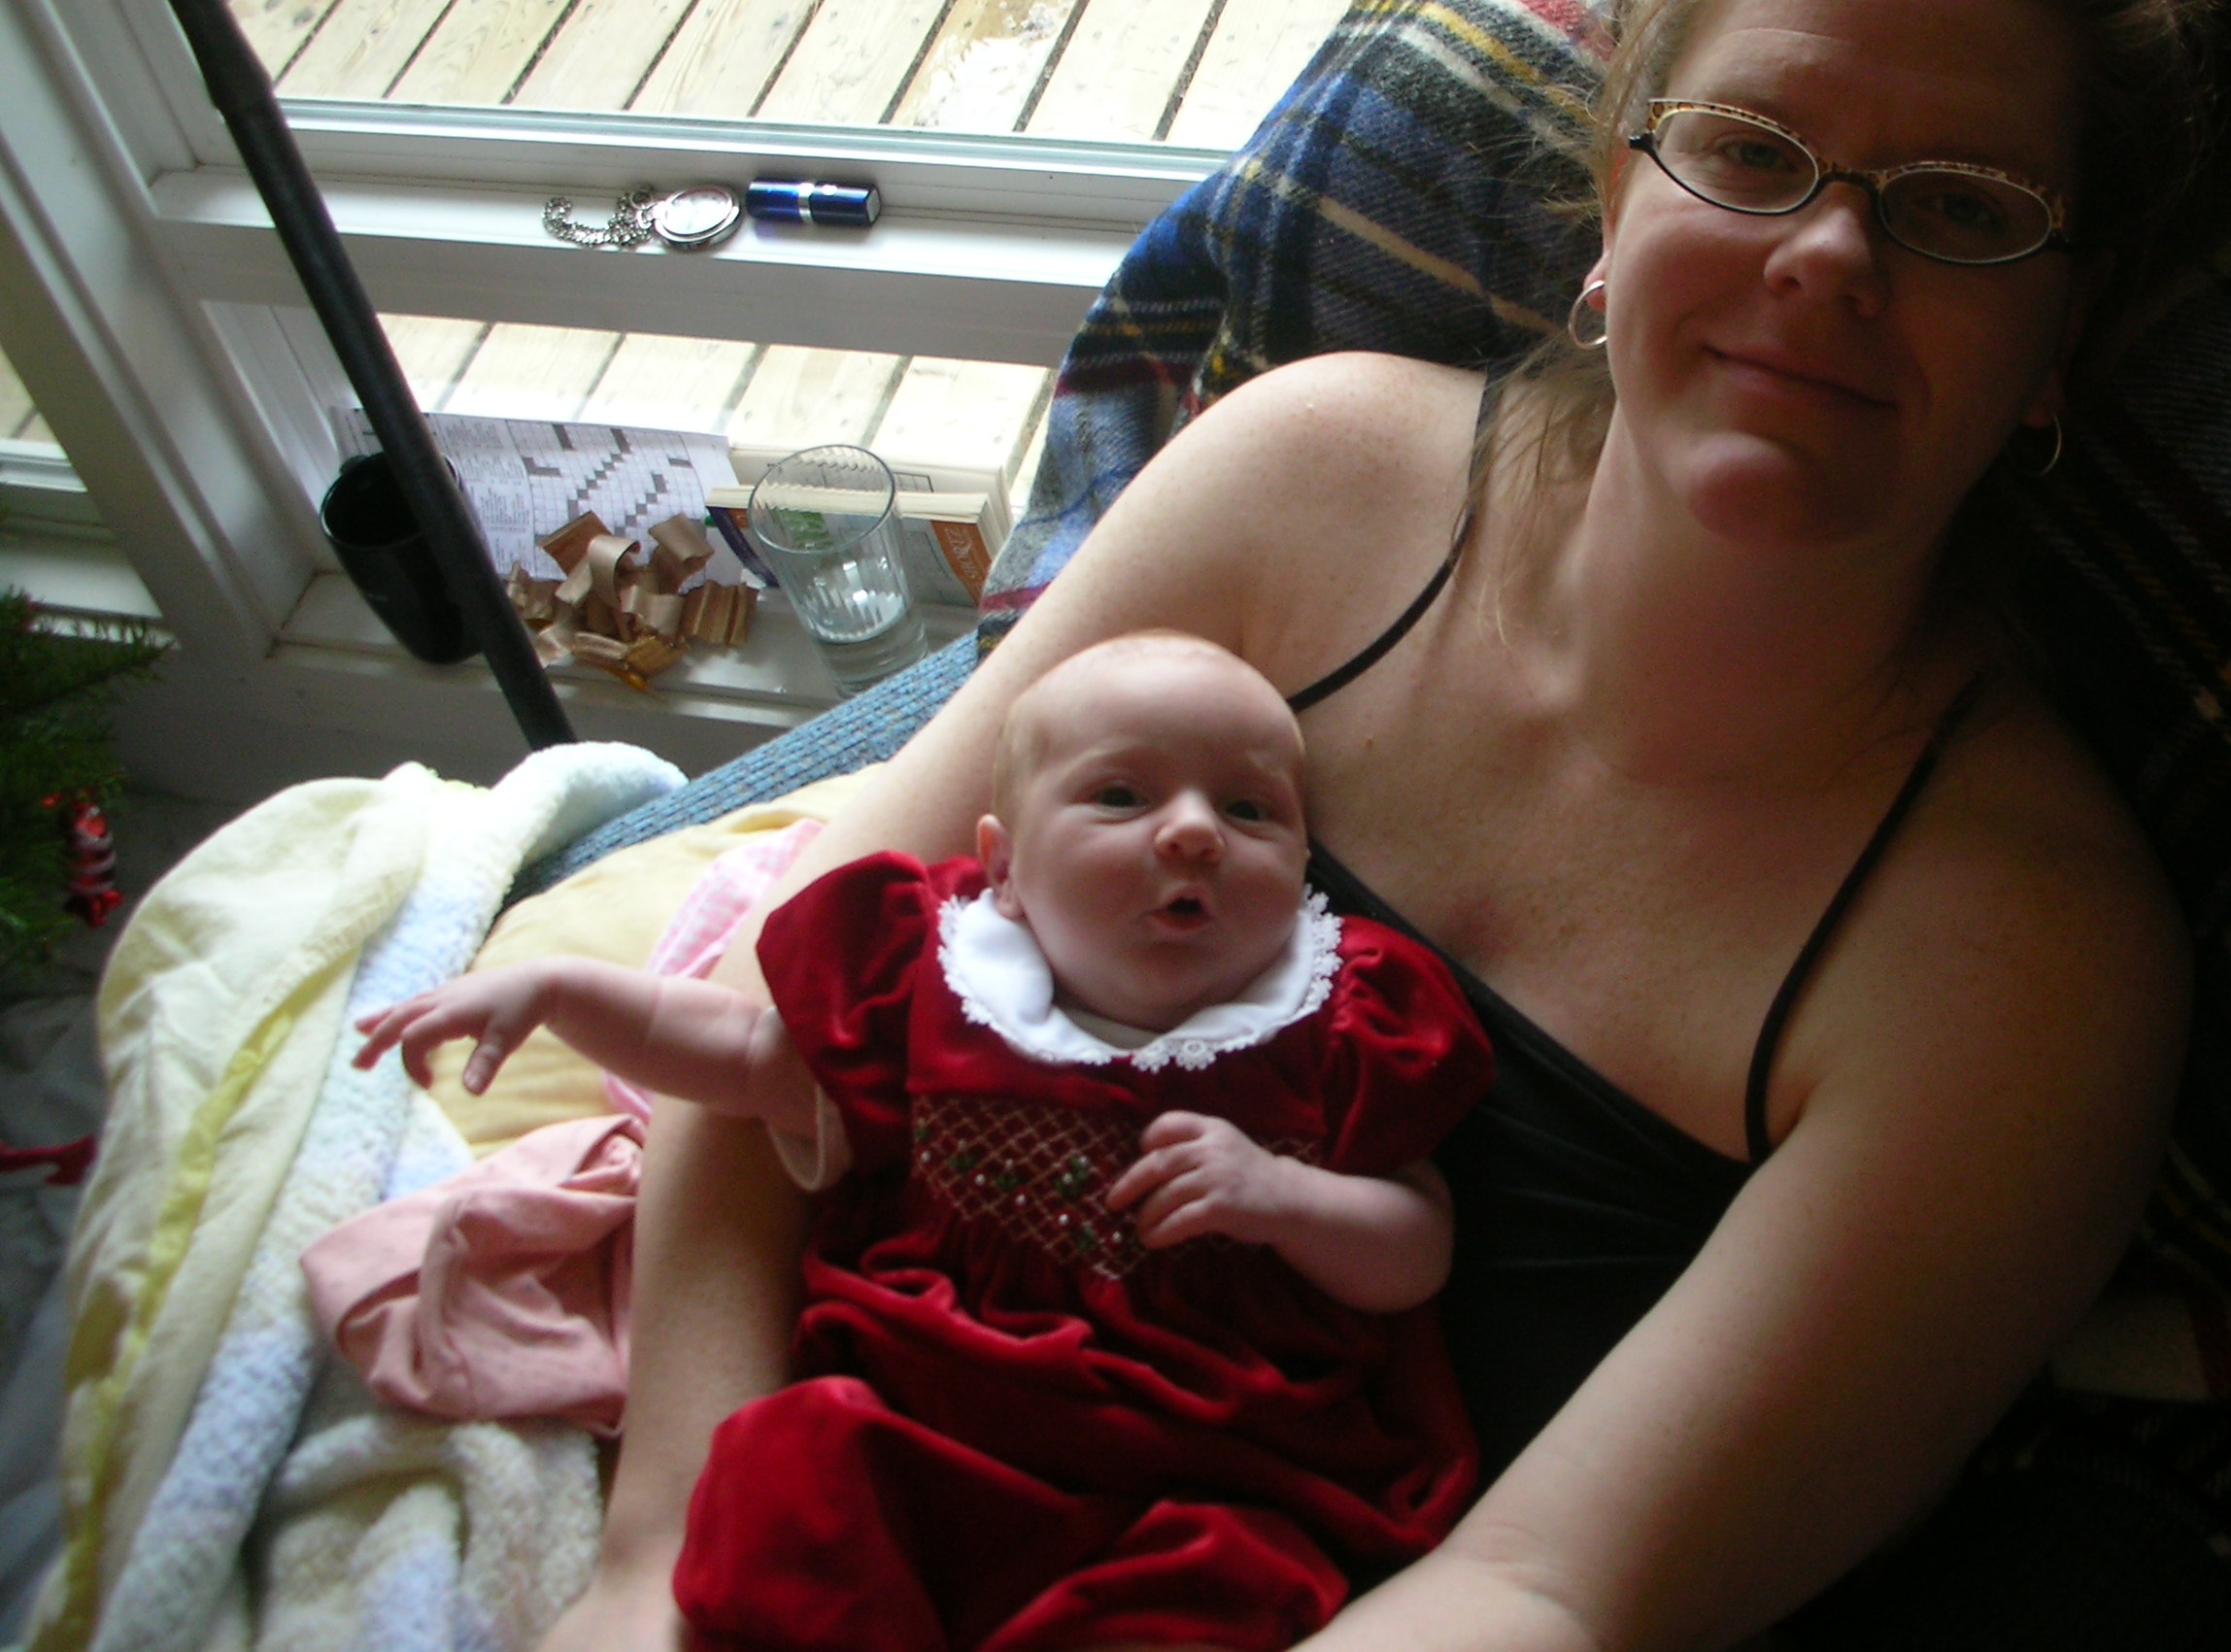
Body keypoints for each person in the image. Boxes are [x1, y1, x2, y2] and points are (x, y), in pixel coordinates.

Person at [545, 0, 2227, 1652]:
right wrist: (655, 1567)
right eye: (1750, 152)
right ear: (1616, 203)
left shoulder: (2027, 967)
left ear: (2062, 336)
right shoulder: (1309, 479)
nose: (1829, 256)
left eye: (1963, 210)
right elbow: (774, 1020)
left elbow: (1548, 1589)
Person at [355, 631, 1495, 1652]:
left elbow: (1416, 1250)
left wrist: (1283, 1197)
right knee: (790, 1482)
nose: (1195, 831)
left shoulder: (1336, 1024)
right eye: (1119, 796)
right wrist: (562, 991)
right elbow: (739, 1054)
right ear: (1003, 869)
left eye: (1250, 811)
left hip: (1197, 1470)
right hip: (911, 1420)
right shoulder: (929, 984)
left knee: (1216, 1594)